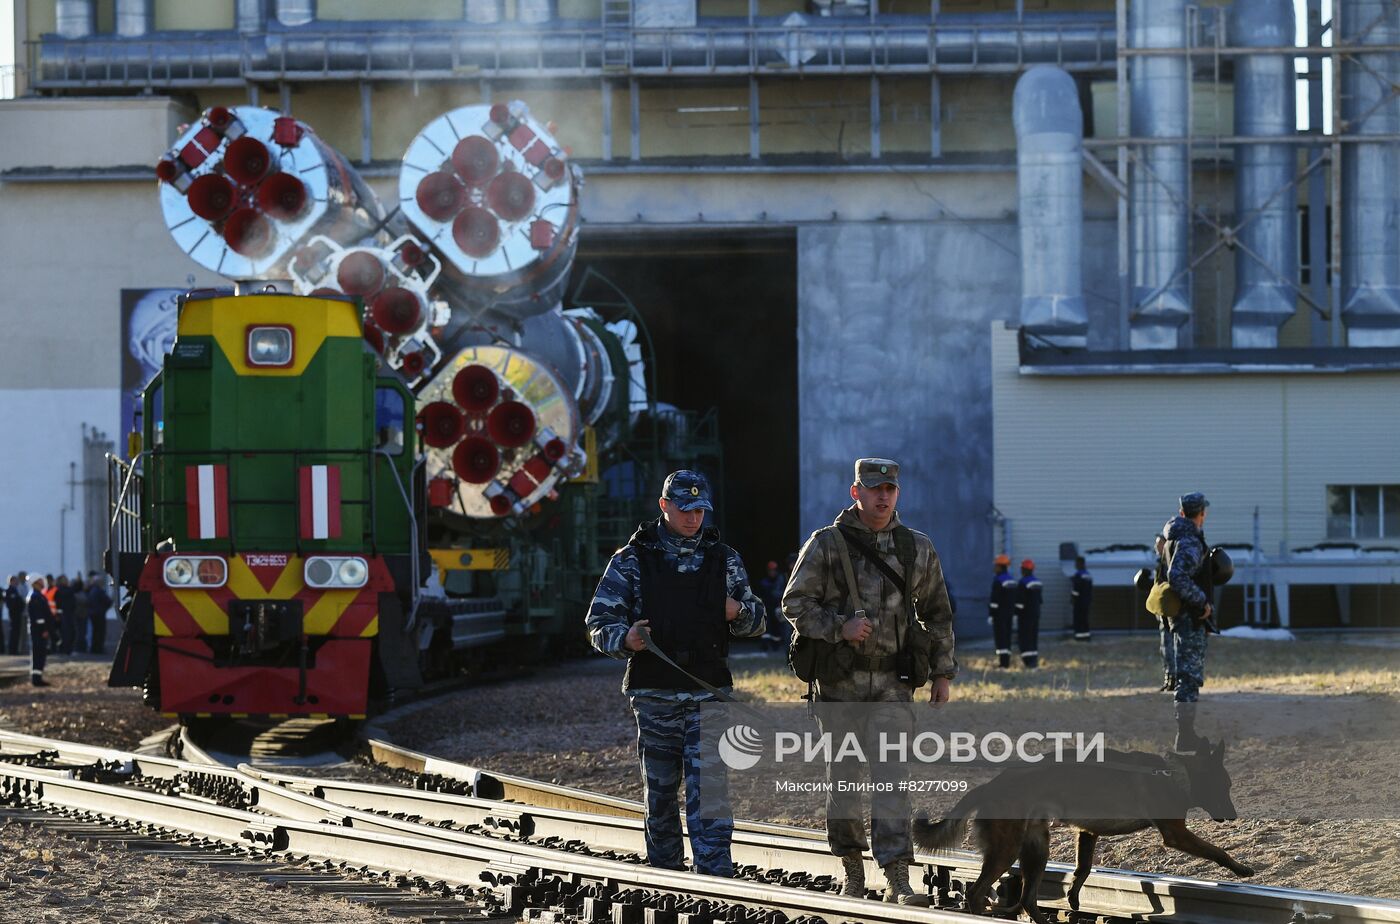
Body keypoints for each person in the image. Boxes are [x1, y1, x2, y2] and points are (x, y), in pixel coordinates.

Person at [782, 458, 957, 905]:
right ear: (855, 491)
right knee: (842, 780)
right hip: (840, 686)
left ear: (897, 493)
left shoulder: (915, 547)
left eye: (890, 489)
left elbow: (937, 612)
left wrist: (942, 672)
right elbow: (794, 602)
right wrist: (838, 626)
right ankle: (852, 870)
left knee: (892, 779)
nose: (883, 496)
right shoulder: (827, 544)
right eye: (874, 488)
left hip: (894, 685)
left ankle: (898, 874)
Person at [584, 470, 766, 877]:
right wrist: (625, 638)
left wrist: (739, 612)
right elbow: (597, 623)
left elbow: (758, 620)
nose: (694, 518)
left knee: (711, 791)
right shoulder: (632, 560)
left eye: (700, 510)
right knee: (661, 793)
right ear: (665, 506)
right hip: (655, 696)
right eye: (685, 509)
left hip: (709, 695)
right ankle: (666, 874)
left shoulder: (724, 559)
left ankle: (716, 878)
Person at [1158, 492, 1214, 754]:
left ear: (1182, 513)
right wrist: (1201, 600)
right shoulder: (1190, 540)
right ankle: (1185, 737)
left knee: (1186, 676)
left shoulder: (1174, 536)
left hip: (1180, 617)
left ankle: (1186, 734)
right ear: (1200, 513)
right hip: (1189, 618)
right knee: (1189, 678)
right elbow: (1177, 576)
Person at [989, 554, 1017, 668]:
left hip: (999, 615)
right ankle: (1007, 662)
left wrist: (991, 614)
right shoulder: (1012, 580)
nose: (994, 568)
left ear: (1000, 567)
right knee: (1007, 637)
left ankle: (1003, 663)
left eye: (996, 566)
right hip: (1010, 614)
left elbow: (994, 600)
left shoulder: (998, 581)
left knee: (1000, 637)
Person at [1014, 559, 1042, 669]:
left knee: (1025, 638)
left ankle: (1028, 662)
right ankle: (1034, 661)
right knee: (1033, 637)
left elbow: (1020, 602)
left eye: (1022, 568)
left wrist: (1016, 614)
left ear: (1025, 569)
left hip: (1025, 616)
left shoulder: (1023, 583)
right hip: (1036, 614)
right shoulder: (1038, 583)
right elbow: (1040, 600)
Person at [756, 560, 788, 652]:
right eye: (770, 570)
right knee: (766, 627)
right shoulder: (764, 582)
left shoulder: (781, 581)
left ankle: (776, 645)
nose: (772, 572)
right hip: (766, 608)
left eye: (774, 570)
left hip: (777, 608)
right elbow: (760, 595)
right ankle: (764, 645)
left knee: (776, 628)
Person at [27, 575, 52, 686]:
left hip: (39, 630)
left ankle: (38, 677)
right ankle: (36, 679)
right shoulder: (35, 596)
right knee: (38, 654)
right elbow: (39, 617)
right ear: (35, 583)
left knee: (40, 654)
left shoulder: (38, 595)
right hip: (38, 630)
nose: (43, 583)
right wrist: (43, 629)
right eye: (40, 582)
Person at [87, 572, 112, 656]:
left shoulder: (92, 590)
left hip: (93, 614)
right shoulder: (99, 591)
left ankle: (94, 648)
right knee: (100, 632)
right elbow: (108, 601)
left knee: (95, 632)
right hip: (99, 614)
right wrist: (105, 608)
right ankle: (98, 649)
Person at [1070, 555, 1093, 641]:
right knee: (1085, 618)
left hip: (1079, 601)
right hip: (1087, 601)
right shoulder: (1088, 575)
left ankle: (1079, 637)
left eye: (1076, 563)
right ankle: (1086, 636)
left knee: (1078, 619)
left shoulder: (1078, 575)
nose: (1075, 565)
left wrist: (1073, 598)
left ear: (1080, 564)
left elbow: (1076, 589)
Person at [53, 575, 77, 656]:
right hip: (63, 614)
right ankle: (65, 650)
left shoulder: (67, 589)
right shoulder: (60, 590)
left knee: (71, 632)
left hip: (69, 613)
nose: (67, 581)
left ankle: (68, 649)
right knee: (65, 633)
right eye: (65, 580)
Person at [4, 575, 24, 655]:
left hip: (17, 614)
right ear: (11, 581)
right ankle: (12, 650)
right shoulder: (9, 590)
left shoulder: (15, 590)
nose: (17, 582)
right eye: (15, 580)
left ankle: (14, 650)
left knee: (17, 632)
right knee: (13, 632)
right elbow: (11, 603)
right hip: (14, 614)